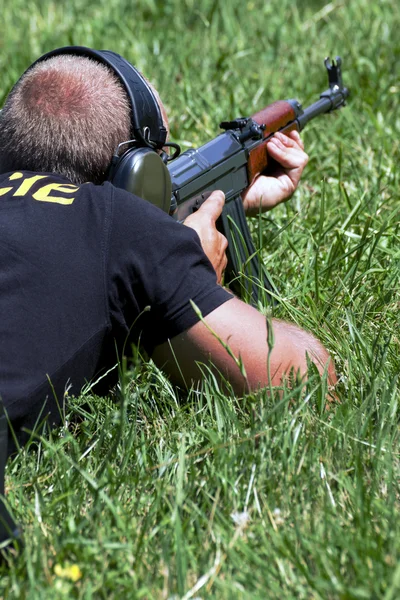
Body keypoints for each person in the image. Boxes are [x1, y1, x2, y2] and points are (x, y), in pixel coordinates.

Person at [0, 48, 336, 452]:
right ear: (137, 174)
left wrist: (225, 202)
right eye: (162, 162)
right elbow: (306, 380)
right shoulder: (121, 226)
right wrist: (193, 270)